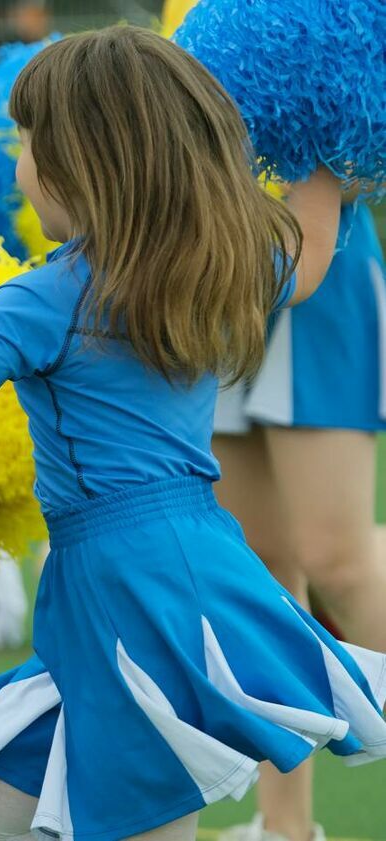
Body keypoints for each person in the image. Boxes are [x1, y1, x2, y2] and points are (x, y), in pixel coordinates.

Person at [0, 26, 384, 840]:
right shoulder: (217, 264)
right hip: (189, 555)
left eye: (25, 145)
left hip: (122, 574)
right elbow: (313, 250)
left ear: (75, 163)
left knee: (129, 810)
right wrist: (331, 114)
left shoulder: (37, 299)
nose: (16, 168)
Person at [214, 203, 386, 841]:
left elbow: (340, 145)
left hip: (320, 266)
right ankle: (285, 827)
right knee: (260, 570)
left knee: (337, 561)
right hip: (218, 275)